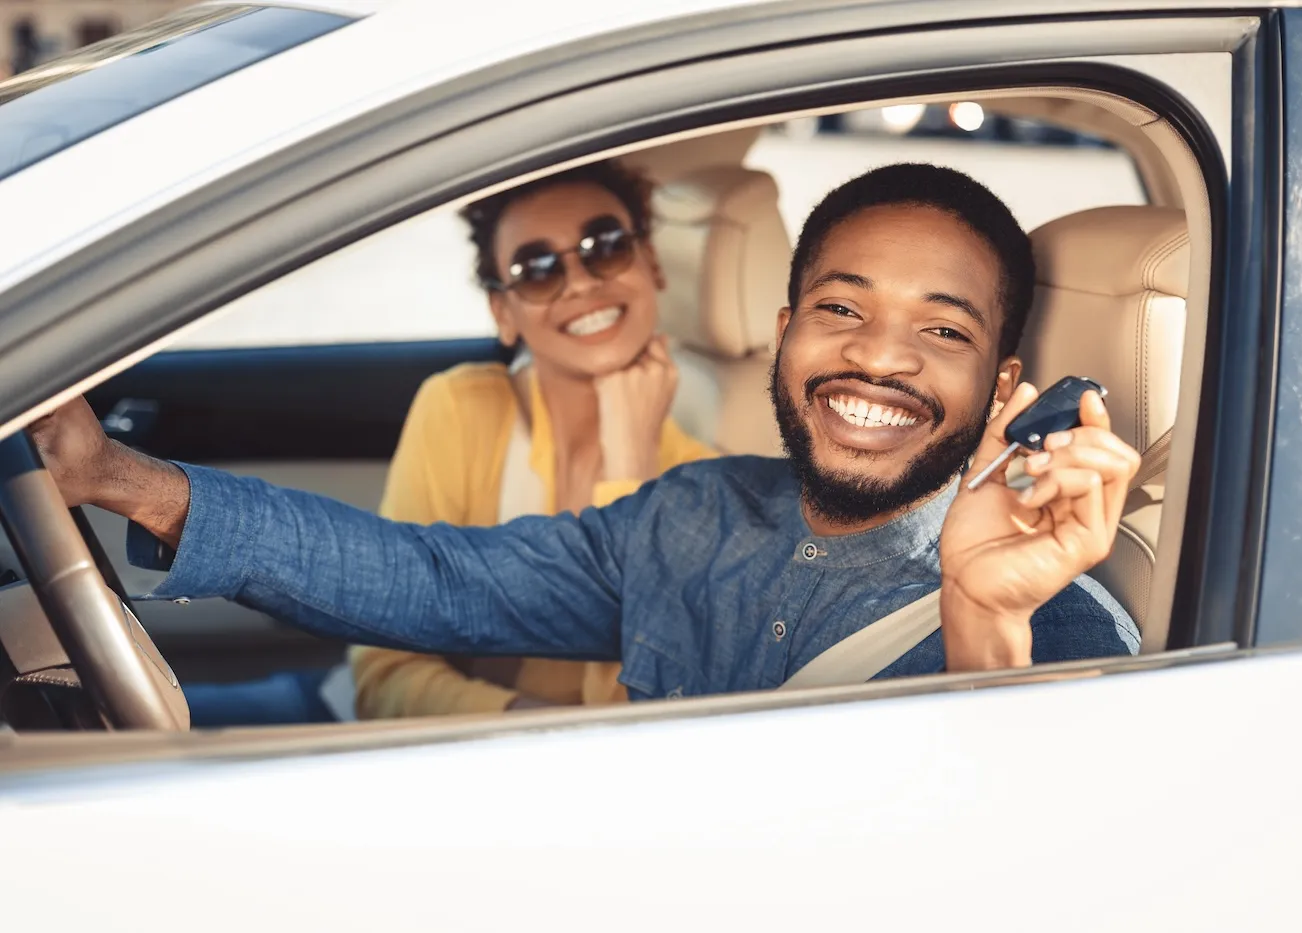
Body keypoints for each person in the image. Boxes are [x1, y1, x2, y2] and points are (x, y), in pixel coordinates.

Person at [32, 163, 1143, 698]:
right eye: (840, 310)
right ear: (783, 334)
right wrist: (121, 476)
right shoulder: (690, 512)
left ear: (1002, 389)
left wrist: (982, 622)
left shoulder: (1055, 620)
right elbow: (430, 577)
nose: (876, 357)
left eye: (938, 332)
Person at [352, 160, 713, 717]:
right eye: (539, 268)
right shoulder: (459, 408)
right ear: (504, 313)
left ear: (653, 265)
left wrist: (631, 470)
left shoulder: (705, 486)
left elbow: (643, 715)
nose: (581, 282)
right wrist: (524, 726)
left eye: (607, 245)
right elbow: (383, 674)